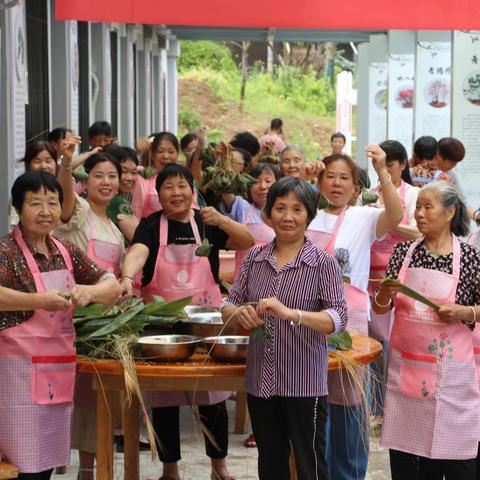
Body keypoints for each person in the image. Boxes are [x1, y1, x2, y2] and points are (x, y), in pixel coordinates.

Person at [120, 164, 254, 480]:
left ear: (193, 191)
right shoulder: (151, 226)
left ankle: (219, 467)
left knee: (213, 399)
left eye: (182, 185)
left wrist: (221, 219)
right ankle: (170, 470)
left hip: (206, 322)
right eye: (168, 186)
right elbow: (138, 251)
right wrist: (127, 276)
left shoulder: (206, 223)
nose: (176, 192)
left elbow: (246, 240)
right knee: (164, 399)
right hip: (163, 324)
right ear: (159, 193)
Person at [221, 176, 348, 479]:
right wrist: (239, 313)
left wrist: (292, 313)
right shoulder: (254, 258)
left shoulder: (322, 263)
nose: (288, 217)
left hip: (305, 382)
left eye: (297, 209)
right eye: (280, 208)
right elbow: (228, 303)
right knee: (270, 461)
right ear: (268, 213)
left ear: (309, 215)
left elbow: (337, 318)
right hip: (261, 381)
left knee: (310, 464)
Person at [0, 171, 120, 480]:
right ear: (17, 208)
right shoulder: (6, 251)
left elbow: (112, 286)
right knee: (20, 465)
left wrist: (89, 291)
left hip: (57, 373)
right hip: (16, 376)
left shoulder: (64, 250)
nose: (45, 212)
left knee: (46, 462)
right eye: (35, 203)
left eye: (52, 203)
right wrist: (41, 300)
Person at [373, 181, 480, 480]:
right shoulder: (403, 253)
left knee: (457, 459)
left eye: (427, 207)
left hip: (452, 377)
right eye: (417, 206)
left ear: (450, 212)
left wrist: (464, 312)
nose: (418, 213)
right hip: (406, 370)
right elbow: (382, 308)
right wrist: (384, 294)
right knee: (409, 461)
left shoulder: (470, 257)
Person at [308, 146, 403, 480]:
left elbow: (396, 215)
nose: (336, 183)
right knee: (312, 401)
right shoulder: (305, 213)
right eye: (330, 176)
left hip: (351, 322)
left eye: (344, 178)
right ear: (319, 182)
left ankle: (347, 475)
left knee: (348, 404)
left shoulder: (363, 217)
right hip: (306, 321)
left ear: (355, 187)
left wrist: (383, 173)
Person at [55, 148, 125, 480]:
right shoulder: (80, 211)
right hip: (78, 317)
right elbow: (64, 199)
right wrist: (67, 165)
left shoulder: (114, 227)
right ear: (86, 181)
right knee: (83, 400)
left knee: (101, 401)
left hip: (107, 321)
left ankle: (97, 468)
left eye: (113, 176)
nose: (107, 182)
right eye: (99, 175)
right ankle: (84, 470)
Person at [220, 162, 279, 281]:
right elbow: (226, 188)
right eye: (256, 181)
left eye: (268, 181)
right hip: (245, 284)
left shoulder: (284, 214)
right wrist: (225, 161)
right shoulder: (242, 207)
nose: (263, 186)